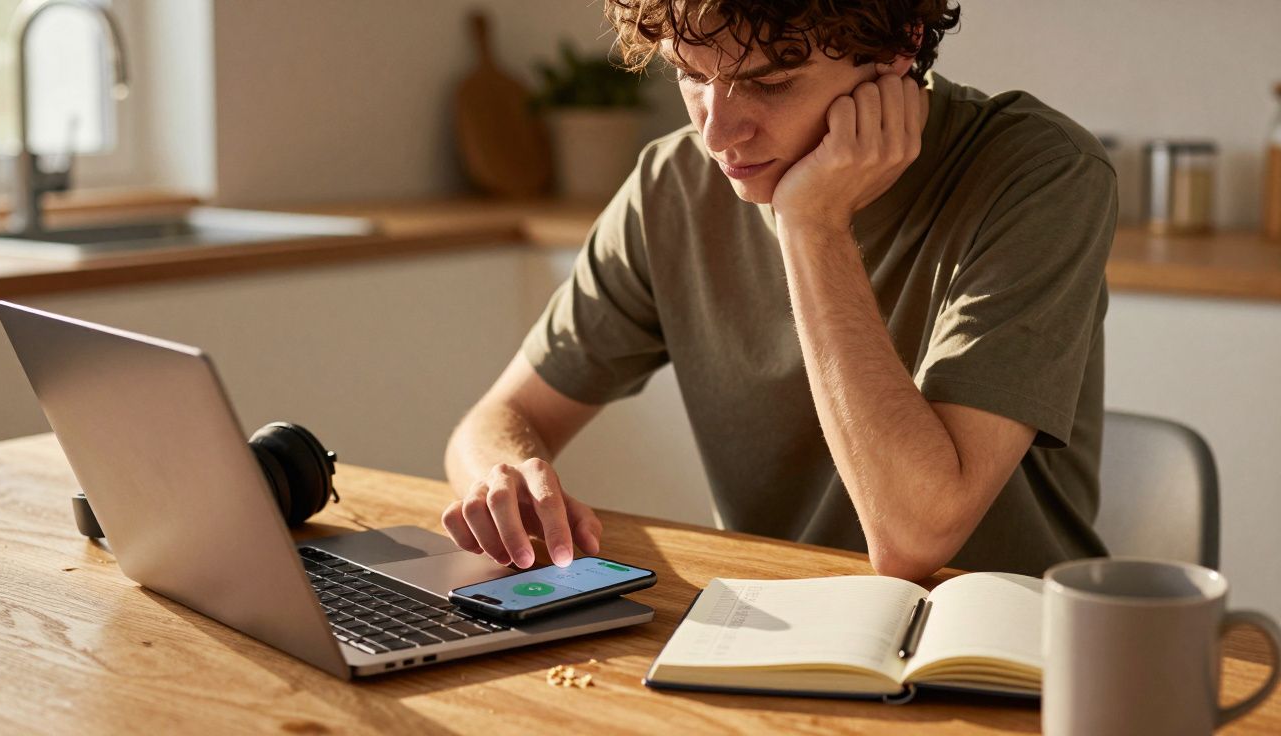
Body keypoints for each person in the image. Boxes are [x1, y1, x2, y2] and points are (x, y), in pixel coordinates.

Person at [441, 0, 1116, 581]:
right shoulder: (670, 185)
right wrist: (504, 473)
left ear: (899, 46)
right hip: (770, 629)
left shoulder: (1041, 174)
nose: (716, 131)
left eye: (769, 82)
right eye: (689, 75)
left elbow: (915, 537)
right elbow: (490, 423)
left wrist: (812, 223)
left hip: (1000, 657)